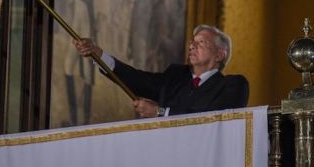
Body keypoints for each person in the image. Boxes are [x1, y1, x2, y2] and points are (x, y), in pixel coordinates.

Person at [74, 24, 249, 118]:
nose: (192, 46)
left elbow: (215, 118)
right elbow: (137, 79)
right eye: (192, 41)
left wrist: (160, 112)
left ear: (220, 54)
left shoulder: (233, 85)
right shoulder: (175, 76)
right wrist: (98, 54)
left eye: (201, 42)